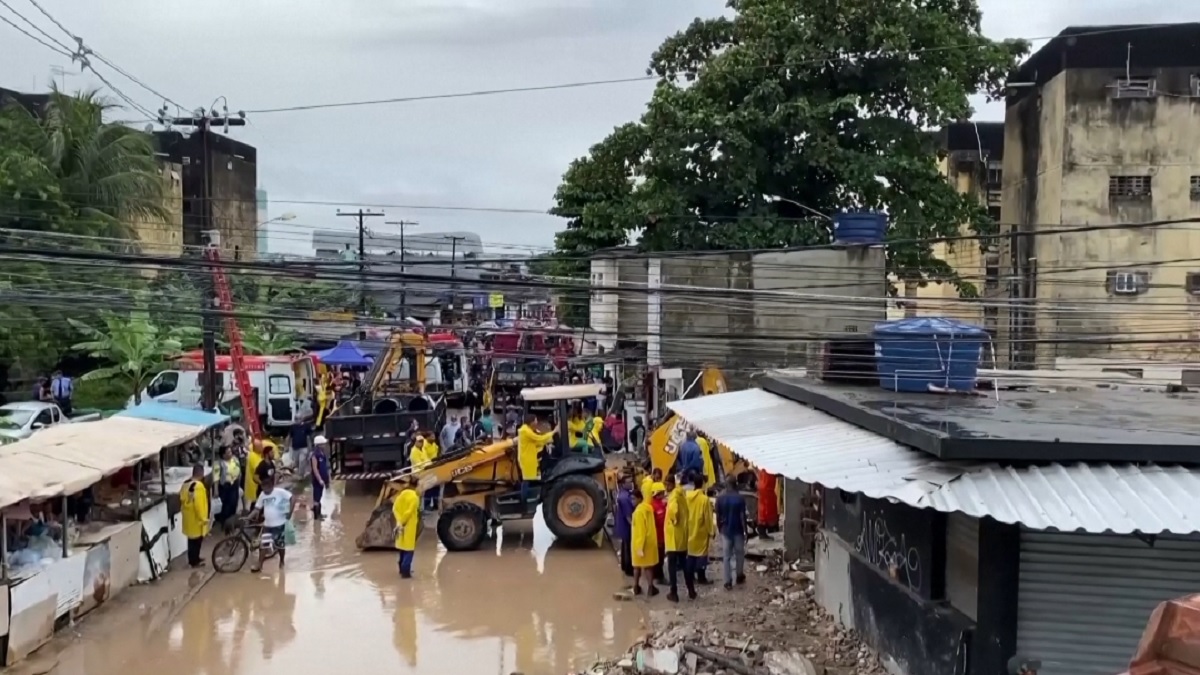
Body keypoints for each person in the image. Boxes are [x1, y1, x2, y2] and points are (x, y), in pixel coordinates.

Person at [249, 475, 293, 573]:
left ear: (272, 486)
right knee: (263, 545)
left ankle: (281, 561)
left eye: (267, 488)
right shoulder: (262, 495)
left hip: (279, 525)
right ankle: (259, 565)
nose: (265, 490)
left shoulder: (279, 492)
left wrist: (290, 512)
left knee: (280, 545)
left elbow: (292, 498)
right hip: (267, 525)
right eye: (263, 488)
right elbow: (257, 509)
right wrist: (249, 517)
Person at [663, 474, 694, 602]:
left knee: (672, 568)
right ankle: (691, 590)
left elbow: (674, 511)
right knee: (684, 565)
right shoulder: (682, 494)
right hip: (681, 536)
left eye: (666, 484)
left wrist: (673, 520)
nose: (665, 487)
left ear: (671, 484)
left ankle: (673, 592)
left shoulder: (673, 496)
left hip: (673, 538)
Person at [715, 476, 748, 589]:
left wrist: (720, 528)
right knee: (739, 554)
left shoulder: (720, 497)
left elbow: (718, 516)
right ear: (736, 484)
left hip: (726, 530)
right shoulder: (740, 498)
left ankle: (727, 581)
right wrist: (746, 532)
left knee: (727, 557)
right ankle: (739, 576)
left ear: (727, 484)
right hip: (738, 530)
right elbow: (742, 516)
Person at [517, 414, 555, 505]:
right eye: (536, 420)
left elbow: (536, 442)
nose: (537, 422)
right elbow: (539, 439)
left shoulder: (527, 430)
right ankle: (524, 501)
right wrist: (553, 432)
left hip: (529, 458)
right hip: (527, 459)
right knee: (527, 480)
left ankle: (527, 499)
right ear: (531, 422)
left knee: (529, 479)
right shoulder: (526, 431)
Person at [684, 471, 714, 584]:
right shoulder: (704, 499)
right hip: (700, 531)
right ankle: (701, 577)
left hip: (689, 529)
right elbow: (708, 517)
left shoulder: (687, 496)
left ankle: (690, 576)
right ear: (702, 483)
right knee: (701, 555)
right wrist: (711, 531)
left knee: (691, 554)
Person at [630, 488, 659, 597]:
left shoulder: (638, 512)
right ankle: (651, 587)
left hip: (640, 543)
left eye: (633, 499)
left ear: (639, 499)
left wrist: (639, 547)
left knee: (637, 566)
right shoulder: (648, 509)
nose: (632, 501)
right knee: (648, 566)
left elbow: (640, 531)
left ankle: (636, 586)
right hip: (650, 541)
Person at [179, 464, 209, 568]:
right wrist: (203, 518)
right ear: (201, 473)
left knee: (191, 540)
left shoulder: (185, 484)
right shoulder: (198, 486)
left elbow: (182, 500)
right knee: (196, 541)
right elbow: (199, 505)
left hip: (188, 517)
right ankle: (194, 561)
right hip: (196, 519)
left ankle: (193, 559)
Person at [392, 476, 420, 578]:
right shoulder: (414, 497)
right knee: (409, 549)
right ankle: (405, 573)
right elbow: (409, 512)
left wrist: (399, 521)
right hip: (409, 526)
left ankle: (401, 569)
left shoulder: (401, 495)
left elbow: (395, 508)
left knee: (402, 548)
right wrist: (403, 522)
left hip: (399, 526)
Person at [215, 445, 241, 532]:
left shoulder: (235, 460)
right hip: (225, 486)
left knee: (233, 504)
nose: (230, 454)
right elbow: (216, 477)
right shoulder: (218, 463)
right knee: (226, 507)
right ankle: (224, 525)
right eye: (228, 452)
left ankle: (231, 524)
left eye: (230, 452)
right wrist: (216, 490)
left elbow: (239, 471)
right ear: (223, 455)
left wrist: (238, 484)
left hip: (234, 485)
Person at [613, 474, 635, 577]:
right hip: (627, 526)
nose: (631, 484)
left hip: (621, 526)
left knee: (624, 546)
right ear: (623, 484)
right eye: (629, 482)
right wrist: (634, 527)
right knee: (628, 548)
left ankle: (624, 566)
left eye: (631, 482)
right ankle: (629, 569)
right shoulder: (626, 498)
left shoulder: (621, 494)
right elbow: (628, 516)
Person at [310, 435, 331, 521]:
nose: (324, 445)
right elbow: (315, 469)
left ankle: (319, 514)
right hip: (317, 480)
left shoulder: (323, 454)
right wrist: (320, 480)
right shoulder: (314, 455)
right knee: (316, 497)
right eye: (323, 444)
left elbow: (325, 467)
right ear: (319, 445)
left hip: (323, 478)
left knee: (320, 496)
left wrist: (327, 480)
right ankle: (316, 517)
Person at [651, 484, 668, 583]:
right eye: (662, 493)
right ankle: (659, 577)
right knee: (659, 558)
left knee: (660, 557)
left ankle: (656, 575)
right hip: (658, 537)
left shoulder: (661, 504)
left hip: (663, 535)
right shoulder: (653, 506)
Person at [756, 468, 779, 539]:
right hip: (767, 493)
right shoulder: (769, 469)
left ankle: (763, 531)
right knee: (768, 512)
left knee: (764, 512)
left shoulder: (762, 469)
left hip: (764, 493)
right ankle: (764, 531)